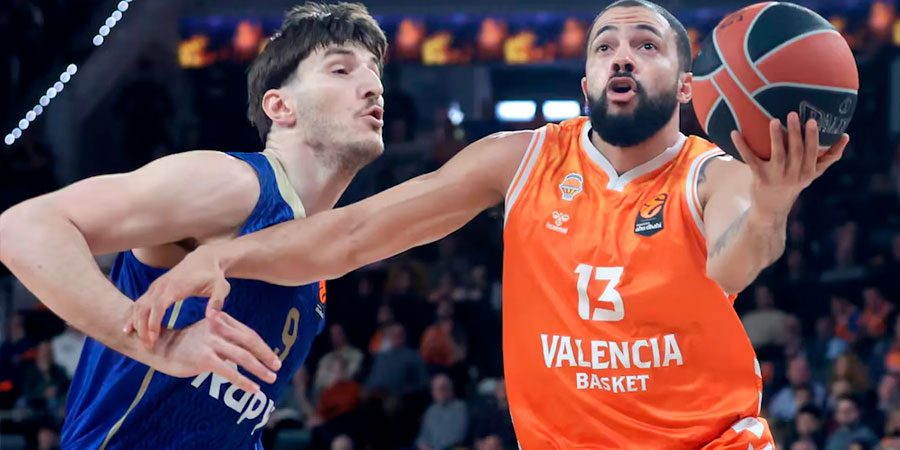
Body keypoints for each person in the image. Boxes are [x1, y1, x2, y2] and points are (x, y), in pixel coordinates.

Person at [128, 0, 849, 447]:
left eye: (647, 45)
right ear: (586, 84)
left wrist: (772, 204)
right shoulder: (520, 159)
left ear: (688, 87)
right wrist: (225, 257)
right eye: (605, 46)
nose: (622, 56)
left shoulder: (714, 174)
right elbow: (353, 234)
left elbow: (731, 264)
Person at [0, 2, 387, 448]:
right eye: (341, 70)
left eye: (374, 71)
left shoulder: (313, 260)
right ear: (281, 106)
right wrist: (161, 344)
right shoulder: (235, 185)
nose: (373, 86)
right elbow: (24, 228)